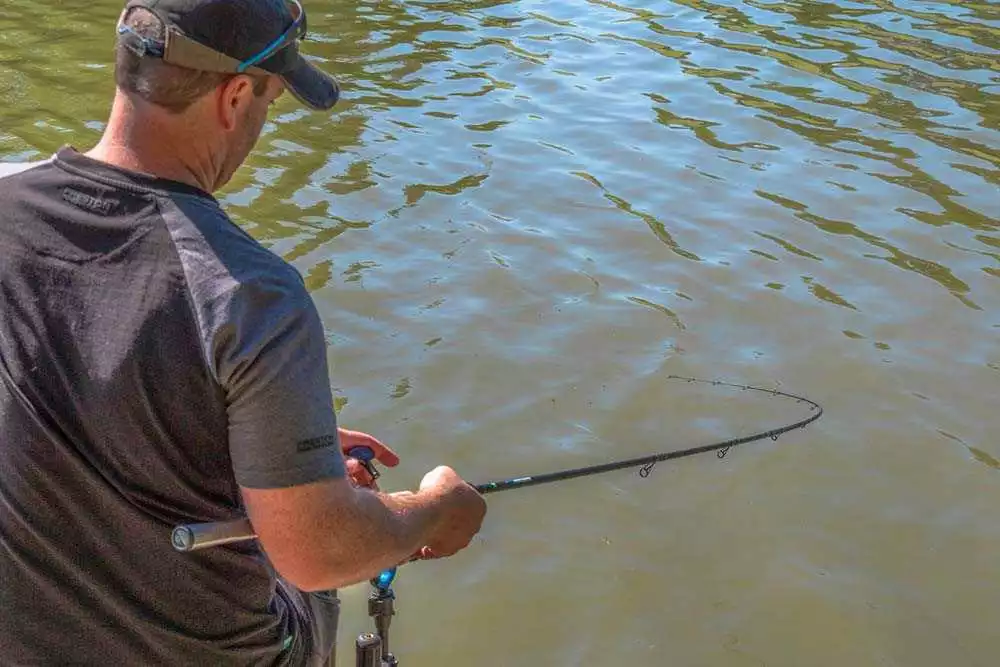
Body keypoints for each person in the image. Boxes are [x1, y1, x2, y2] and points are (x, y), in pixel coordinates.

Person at [0, 0, 487, 665]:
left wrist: (264, 440)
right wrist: (432, 511)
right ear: (234, 98)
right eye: (270, 101)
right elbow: (319, 551)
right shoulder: (251, 293)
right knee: (314, 583)